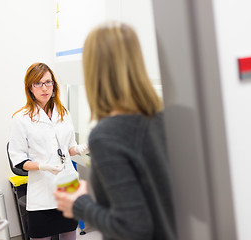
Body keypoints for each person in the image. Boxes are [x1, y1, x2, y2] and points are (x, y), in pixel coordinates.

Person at [54, 22, 177, 240]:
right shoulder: (164, 118)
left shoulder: (108, 135)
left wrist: (80, 204)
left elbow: (133, 227)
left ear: (93, 70)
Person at [8, 62, 88, 240]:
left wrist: (80, 148)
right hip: (43, 190)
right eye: (38, 83)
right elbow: (19, 161)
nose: (44, 88)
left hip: (68, 186)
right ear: (30, 88)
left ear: (54, 85)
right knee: (41, 236)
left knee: (69, 235)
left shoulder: (63, 112)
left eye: (48, 82)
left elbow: (68, 150)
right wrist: (43, 166)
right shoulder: (20, 119)